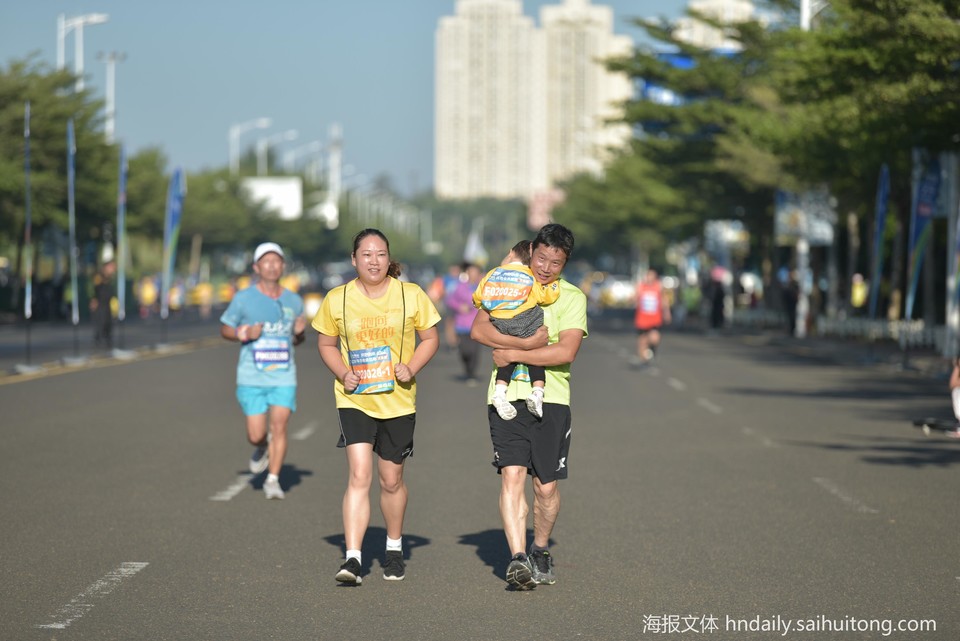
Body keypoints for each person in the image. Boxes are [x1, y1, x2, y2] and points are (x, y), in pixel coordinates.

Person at [313, 228, 441, 584]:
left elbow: (430, 338)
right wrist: (343, 373)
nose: (374, 261)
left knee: (391, 480)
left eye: (380, 254)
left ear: (389, 258)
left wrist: (411, 367)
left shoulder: (410, 295)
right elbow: (325, 344)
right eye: (366, 254)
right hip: (355, 398)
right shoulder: (337, 299)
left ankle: (394, 548)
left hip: (398, 400)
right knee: (359, 474)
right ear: (354, 259)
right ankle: (353, 558)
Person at [470, 223, 587, 590]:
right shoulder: (509, 284)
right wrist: (524, 345)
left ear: (565, 263)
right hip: (506, 397)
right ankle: (518, 557)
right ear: (531, 251)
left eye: (556, 262)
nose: (546, 268)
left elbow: (566, 351)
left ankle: (540, 548)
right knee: (512, 475)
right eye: (541, 258)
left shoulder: (572, 297)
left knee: (545, 488)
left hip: (551, 399)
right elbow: (478, 329)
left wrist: (513, 352)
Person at [220, 242, 307, 500]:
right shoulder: (243, 298)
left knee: (279, 427)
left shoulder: (294, 300)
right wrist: (245, 332)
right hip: (252, 376)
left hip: (283, 375)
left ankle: (273, 479)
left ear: (283, 266)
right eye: (266, 261)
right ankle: (261, 447)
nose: (272, 266)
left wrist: (299, 334)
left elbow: (297, 340)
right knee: (256, 434)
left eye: (276, 261)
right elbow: (225, 329)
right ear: (257, 267)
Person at [473, 240, 560, 420]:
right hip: (523, 321)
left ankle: (499, 392)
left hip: (498, 321)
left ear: (511, 253)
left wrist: (481, 303)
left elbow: (478, 296)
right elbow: (543, 296)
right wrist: (554, 288)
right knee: (536, 350)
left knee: (507, 350)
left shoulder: (493, 273)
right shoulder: (529, 276)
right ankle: (537, 392)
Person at [445, 262, 484, 385]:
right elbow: (450, 300)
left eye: (475, 272)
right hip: (462, 324)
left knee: (474, 351)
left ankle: (471, 374)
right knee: (464, 351)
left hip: (477, 324)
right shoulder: (460, 286)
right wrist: (459, 307)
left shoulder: (482, 287)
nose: (473, 274)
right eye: (471, 271)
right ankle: (467, 370)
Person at [634, 268, 671, 365]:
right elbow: (635, 299)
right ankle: (643, 360)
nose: (649, 278)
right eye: (648, 275)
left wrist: (667, 313)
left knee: (655, 338)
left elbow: (664, 300)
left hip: (654, 319)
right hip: (642, 320)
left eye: (652, 276)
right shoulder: (641, 287)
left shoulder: (658, 287)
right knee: (642, 341)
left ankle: (651, 350)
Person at [90, 260, 116, 348]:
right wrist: (93, 299)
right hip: (100, 303)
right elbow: (94, 289)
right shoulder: (99, 276)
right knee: (101, 322)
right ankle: (98, 339)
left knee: (108, 322)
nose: (113, 269)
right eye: (111, 267)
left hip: (108, 303)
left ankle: (107, 339)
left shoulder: (110, 277)